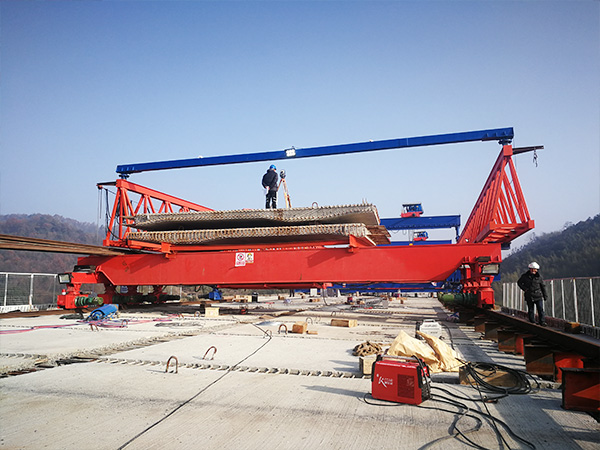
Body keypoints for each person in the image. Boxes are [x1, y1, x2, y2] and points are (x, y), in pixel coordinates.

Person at [517, 262, 548, 326]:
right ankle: (532, 322)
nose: (535, 271)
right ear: (530, 269)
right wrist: (525, 289)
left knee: (540, 309)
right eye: (534, 269)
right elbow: (519, 283)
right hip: (529, 295)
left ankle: (542, 322)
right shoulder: (524, 276)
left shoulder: (539, 277)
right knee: (531, 309)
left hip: (538, 296)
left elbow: (543, 286)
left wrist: (545, 296)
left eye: (536, 269)